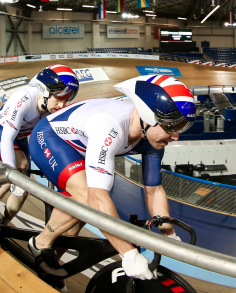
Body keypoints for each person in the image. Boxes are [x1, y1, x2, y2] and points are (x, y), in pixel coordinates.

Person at [27, 75, 196, 282]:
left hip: (83, 145)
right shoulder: (110, 126)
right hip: (50, 138)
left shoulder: (154, 138)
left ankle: (50, 266)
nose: (176, 136)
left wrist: (169, 236)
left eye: (180, 127)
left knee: (75, 225)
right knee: (86, 198)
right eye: (171, 127)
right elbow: (96, 198)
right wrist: (129, 255)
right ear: (147, 116)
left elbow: (154, 189)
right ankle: (40, 243)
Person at [0, 64, 79, 232]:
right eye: (59, 98)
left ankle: (4, 226)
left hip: (19, 138)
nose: (62, 105)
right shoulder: (23, 98)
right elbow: (7, 137)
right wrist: (11, 172)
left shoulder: (52, 107)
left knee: (23, 189)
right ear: (45, 91)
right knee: (20, 167)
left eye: (66, 100)